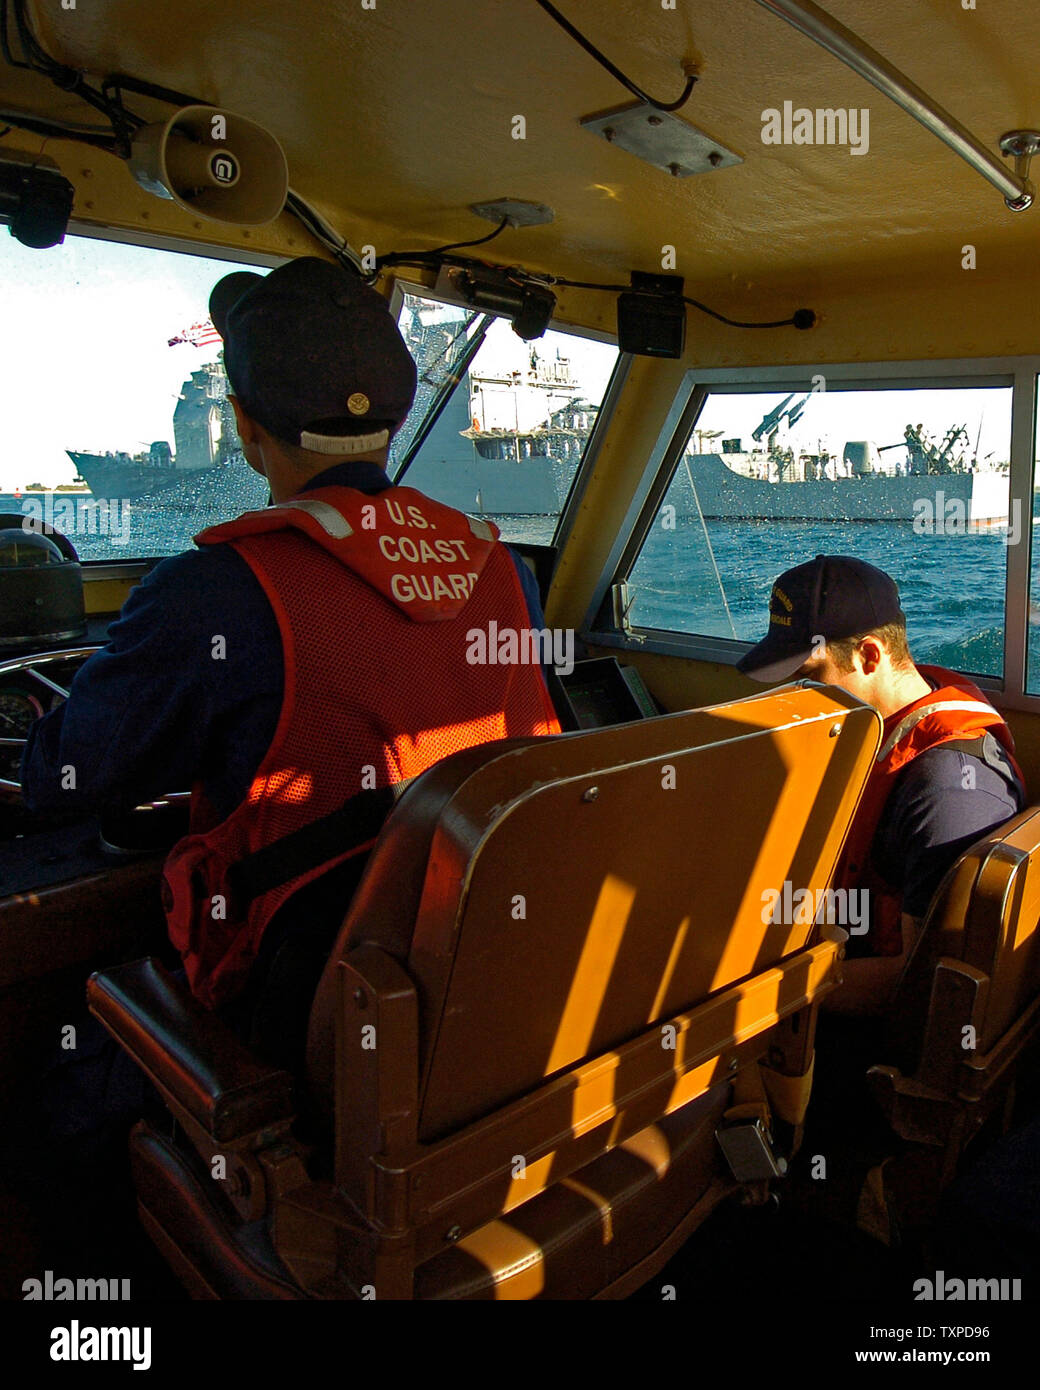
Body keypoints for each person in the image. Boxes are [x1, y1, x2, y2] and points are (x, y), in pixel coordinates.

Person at [21, 256, 561, 1059]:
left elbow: (65, 780)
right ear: (395, 421)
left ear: (244, 425)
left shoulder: (211, 590)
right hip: (494, 976)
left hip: (305, 1018)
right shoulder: (503, 571)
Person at [736, 554, 1024, 1015]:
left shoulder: (947, 789)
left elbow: (916, 978)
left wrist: (758, 1000)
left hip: (860, 1026)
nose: (796, 696)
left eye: (810, 677)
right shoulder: (891, 718)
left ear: (871, 655)